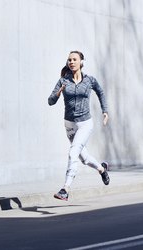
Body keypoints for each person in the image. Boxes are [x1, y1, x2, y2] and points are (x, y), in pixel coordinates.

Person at [48, 50, 110, 201]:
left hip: (85, 123)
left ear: (81, 62)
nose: (71, 62)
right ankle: (102, 169)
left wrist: (105, 111)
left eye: (74, 59)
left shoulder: (89, 80)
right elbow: (50, 101)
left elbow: (100, 93)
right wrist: (58, 94)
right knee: (84, 158)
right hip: (69, 124)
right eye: (69, 60)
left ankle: (65, 189)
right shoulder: (63, 81)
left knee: (73, 152)